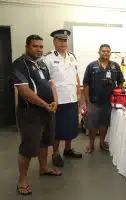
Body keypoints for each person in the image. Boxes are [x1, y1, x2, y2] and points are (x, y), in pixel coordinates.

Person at [12, 35, 62, 196]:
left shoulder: (42, 64)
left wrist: (55, 101)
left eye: (41, 47)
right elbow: (25, 92)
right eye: (35, 46)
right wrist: (45, 104)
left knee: (45, 141)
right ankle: (23, 180)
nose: (39, 49)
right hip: (30, 113)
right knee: (28, 147)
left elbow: (51, 83)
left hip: (48, 110)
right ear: (27, 46)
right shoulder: (20, 64)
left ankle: (43, 167)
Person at [43, 29, 82, 168]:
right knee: (57, 129)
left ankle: (67, 149)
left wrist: (79, 94)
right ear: (54, 41)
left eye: (65, 40)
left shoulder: (72, 57)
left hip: (71, 98)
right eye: (60, 40)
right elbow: (46, 81)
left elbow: (76, 76)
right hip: (58, 100)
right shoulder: (48, 59)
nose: (63, 43)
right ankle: (55, 153)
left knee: (71, 126)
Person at [83, 44, 124, 153]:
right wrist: (87, 101)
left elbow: (121, 82)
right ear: (99, 52)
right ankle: (91, 144)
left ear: (110, 53)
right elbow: (86, 84)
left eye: (108, 51)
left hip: (109, 102)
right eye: (103, 51)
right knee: (92, 125)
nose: (105, 53)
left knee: (104, 124)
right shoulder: (91, 66)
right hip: (93, 101)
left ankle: (102, 143)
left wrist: (119, 97)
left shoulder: (115, 66)